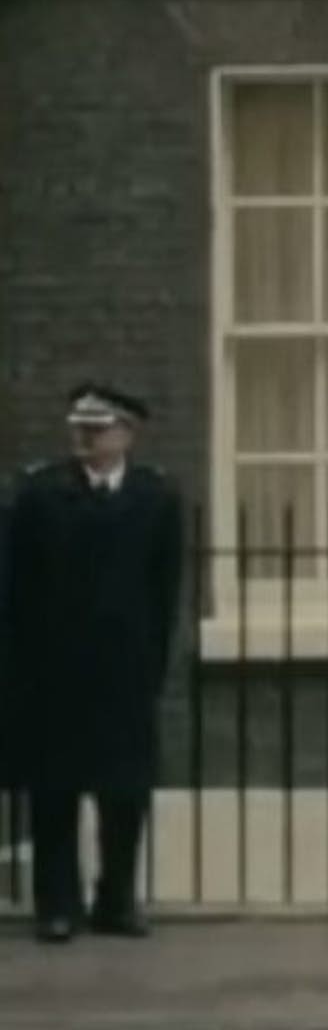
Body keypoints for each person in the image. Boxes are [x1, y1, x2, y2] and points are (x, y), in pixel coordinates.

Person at [2, 383, 183, 943]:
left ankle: (117, 900)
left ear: (127, 433)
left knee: (124, 793)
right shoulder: (40, 494)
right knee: (54, 792)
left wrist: (151, 666)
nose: (85, 437)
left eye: (98, 428)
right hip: (54, 670)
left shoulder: (156, 497)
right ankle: (58, 905)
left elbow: (164, 590)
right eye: (79, 427)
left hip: (123, 671)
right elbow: (15, 587)